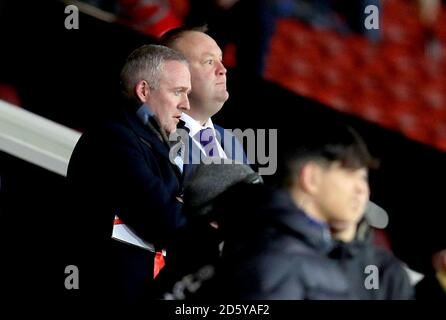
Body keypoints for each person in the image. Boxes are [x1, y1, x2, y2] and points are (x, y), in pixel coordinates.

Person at [206, 122, 414, 299]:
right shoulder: (278, 256)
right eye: (351, 174)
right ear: (311, 178)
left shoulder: (283, 243)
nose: (362, 189)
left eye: (364, 178)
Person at [66, 44, 191, 304]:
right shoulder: (114, 136)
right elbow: (165, 218)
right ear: (144, 90)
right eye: (178, 92)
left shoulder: (158, 144)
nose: (186, 104)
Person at [159, 26, 247, 165]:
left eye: (221, 60)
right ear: (175, 74)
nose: (223, 70)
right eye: (209, 62)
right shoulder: (160, 137)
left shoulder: (231, 141)